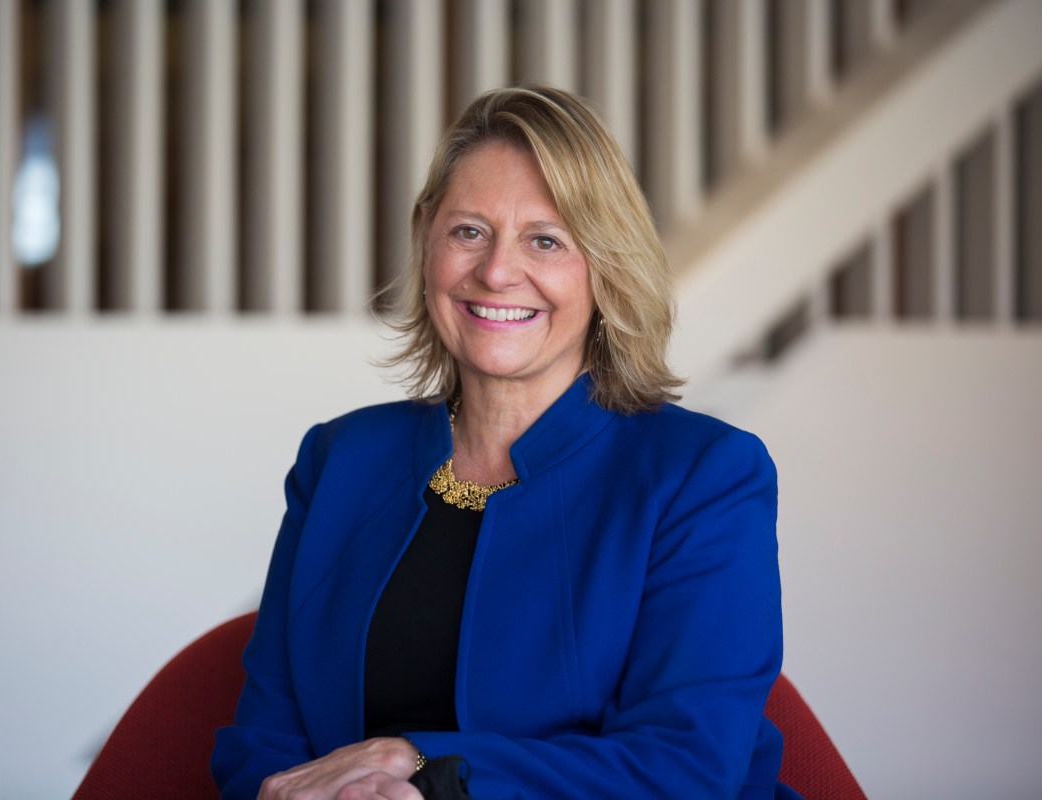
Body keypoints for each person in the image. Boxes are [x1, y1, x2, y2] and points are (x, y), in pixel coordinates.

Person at [212, 84, 796, 800]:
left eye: (545, 240)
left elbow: (685, 768)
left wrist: (421, 767)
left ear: (606, 266)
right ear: (427, 238)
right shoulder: (338, 461)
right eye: (468, 232)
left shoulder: (704, 476)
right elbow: (262, 743)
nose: (495, 272)